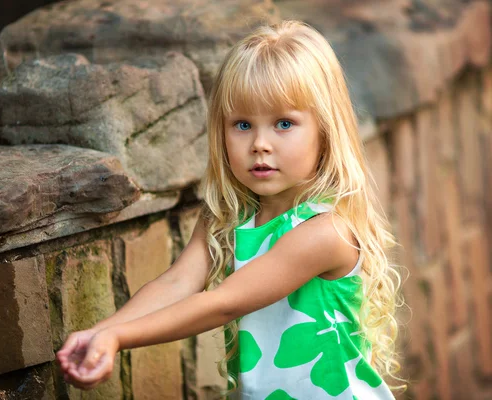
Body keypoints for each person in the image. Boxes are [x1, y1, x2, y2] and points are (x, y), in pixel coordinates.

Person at [56, 20, 403, 399]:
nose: (259, 144)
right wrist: (101, 332)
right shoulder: (227, 217)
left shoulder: (325, 232)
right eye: (242, 124)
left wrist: (118, 337)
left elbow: (223, 304)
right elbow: (177, 282)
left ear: (325, 130)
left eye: (284, 123)